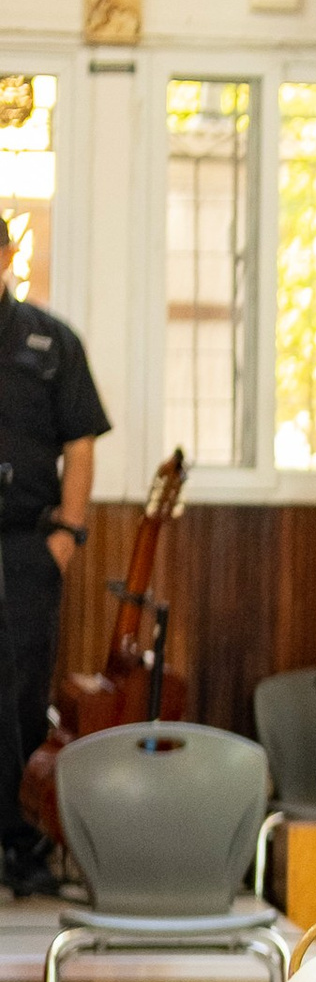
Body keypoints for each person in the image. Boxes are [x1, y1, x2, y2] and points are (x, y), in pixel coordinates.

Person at [0, 215, 108, 898]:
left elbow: (81, 444)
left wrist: (67, 535)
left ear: (7, 254)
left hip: (24, 543)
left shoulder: (50, 340)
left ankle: (19, 843)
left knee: (20, 692)